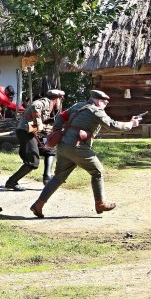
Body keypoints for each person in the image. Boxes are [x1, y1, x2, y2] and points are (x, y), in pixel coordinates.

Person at [29, 90, 140, 218]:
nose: (106, 104)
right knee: (97, 172)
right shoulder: (96, 110)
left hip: (64, 146)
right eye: (105, 102)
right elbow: (112, 125)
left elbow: (61, 117)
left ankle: (38, 205)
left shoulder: (78, 105)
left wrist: (57, 131)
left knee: (58, 177)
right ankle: (100, 203)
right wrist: (131, 124)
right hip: (77, 147)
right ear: (98, 101)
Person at [5, 89, 64, 191]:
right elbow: (34, 106)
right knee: (33, 162)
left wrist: (46, 127)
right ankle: (11, 182)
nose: (60, 102)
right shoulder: (45, 102)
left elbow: (38, 122)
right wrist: (39, 123)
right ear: (57, 99)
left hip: (29, 132)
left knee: (50, 150)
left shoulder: (49, 106)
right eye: (61, 99)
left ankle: (47, 178)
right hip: (25, 132)